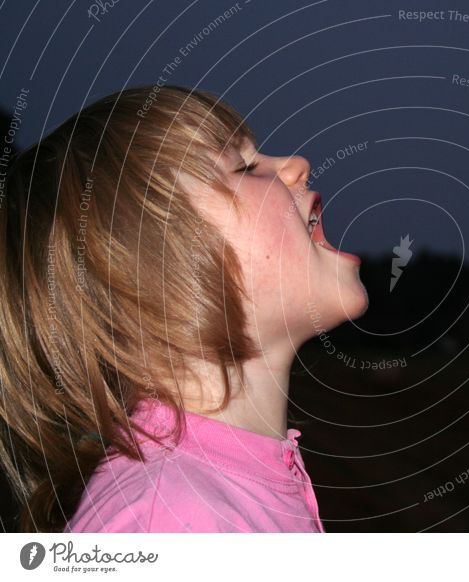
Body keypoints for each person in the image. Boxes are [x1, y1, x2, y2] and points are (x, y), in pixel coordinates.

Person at [0, 85, 368, 532]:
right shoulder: (170, 519)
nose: (296, 165)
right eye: (245, 166)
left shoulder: (202, 501)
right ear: (152, 273)